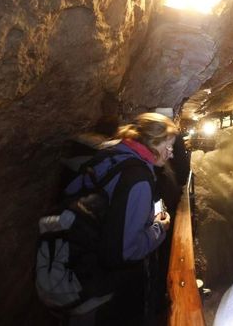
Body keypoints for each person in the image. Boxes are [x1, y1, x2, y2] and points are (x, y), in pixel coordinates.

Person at [64, 112, 178, 326]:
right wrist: (159, 228)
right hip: (104, 291)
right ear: (153, 144)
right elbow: (127, 250)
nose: (171, 154)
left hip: (78, 269)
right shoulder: (137, 179)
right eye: (168, 146)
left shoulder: (112, 156)